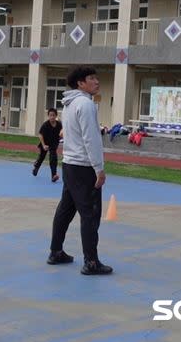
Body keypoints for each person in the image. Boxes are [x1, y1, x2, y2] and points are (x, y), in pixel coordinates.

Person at [48, 66, 112, 275]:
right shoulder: (85, 104)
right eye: (91, 78)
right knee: (90, 214)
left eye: (96, 77)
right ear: (80, 83)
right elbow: (91, 139)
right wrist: (99, 169)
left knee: (65, 210)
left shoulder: (70, 104)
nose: (96, 82)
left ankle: (56, 251)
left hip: (70, 165)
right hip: (84, 167)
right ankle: (91, 262)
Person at [33, 108, 62, 182]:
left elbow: (62, 132)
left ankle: (53, 175)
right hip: (45, 143)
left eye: (53, 115)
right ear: (48, 116)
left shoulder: (59, 124)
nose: (52, 117)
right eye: (50, 115)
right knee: (41, 157)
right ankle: (36, 167)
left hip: (53, 143)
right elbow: (40, 135)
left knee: (53, 158)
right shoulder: (45, 124)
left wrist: (62, 136)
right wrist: (43, 145)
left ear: (56, 116)